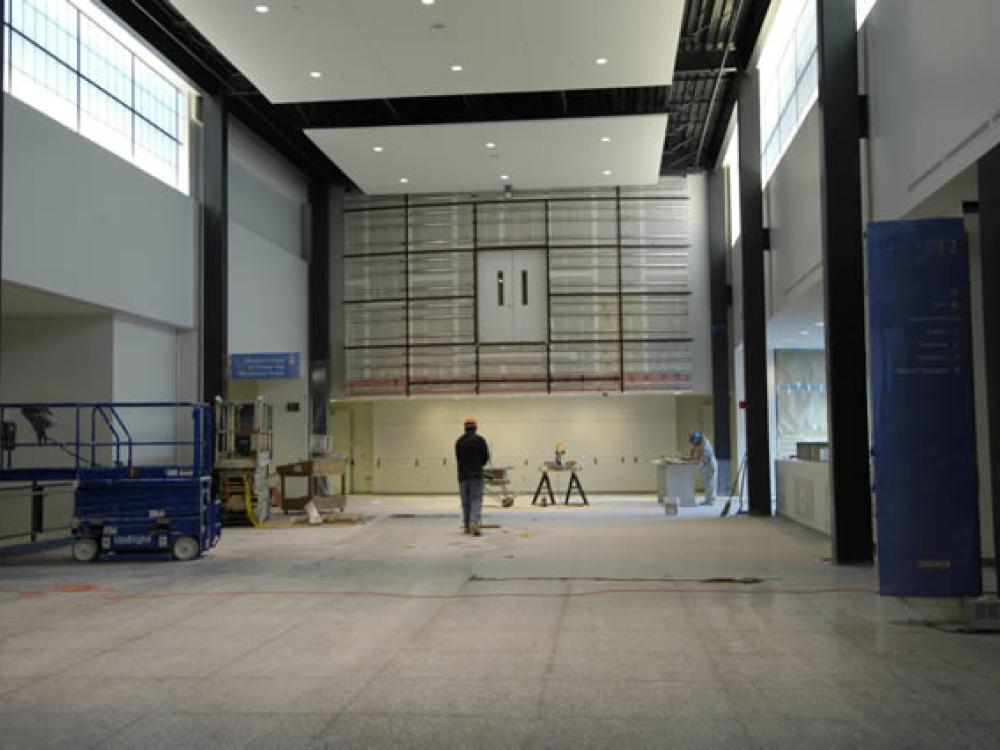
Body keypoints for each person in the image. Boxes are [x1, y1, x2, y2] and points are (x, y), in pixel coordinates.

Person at [455, 417, 490, 535]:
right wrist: (478, 464)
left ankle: (466, 525)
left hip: (463, 476)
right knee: (476, 500)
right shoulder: (480, 440)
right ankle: (475, 523)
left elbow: (458, 458)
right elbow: (485, 458)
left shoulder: (459, 441)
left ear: (465, 428)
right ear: (475, 427)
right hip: (476, 476)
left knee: (465, 501)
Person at [689, 431, 717, 506]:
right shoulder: (696, 442)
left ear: (698, 439)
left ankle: (711, 500)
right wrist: (692, 456)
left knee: (710, 483)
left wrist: (696, 459)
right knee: (706, 483)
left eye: (695, 442)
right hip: (704, 464)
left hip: (709, 463)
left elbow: (704, 454)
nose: (694, 444)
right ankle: (707, 499)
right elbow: (692, 450)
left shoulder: (705, 443)